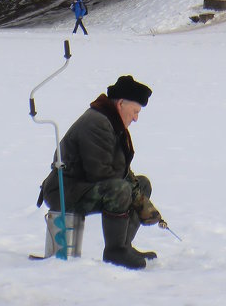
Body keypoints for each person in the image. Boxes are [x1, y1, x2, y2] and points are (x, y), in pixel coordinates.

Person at [38, 75, 162, 269]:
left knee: (142, 183)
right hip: (64, 191)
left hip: (82, 188)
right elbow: (101, 174)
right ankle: (115, 252)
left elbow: (120, 170)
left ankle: (124, 246)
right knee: (120, 189)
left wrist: (140, 196)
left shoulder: (110, 122)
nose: (136, 118)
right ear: (121, 103)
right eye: (135, 111)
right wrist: (136, 199)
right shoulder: (97, 123)